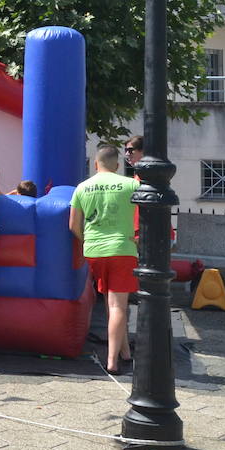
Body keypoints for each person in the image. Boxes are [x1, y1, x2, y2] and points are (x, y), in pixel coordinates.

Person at [70, 145, 141, 374]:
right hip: (122, 249)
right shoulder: (131, 185)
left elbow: (73, 225)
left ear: (95, 164)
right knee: (118, 305)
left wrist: (87, 240)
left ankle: (125, 352)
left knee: (110, 303)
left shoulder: (82, 187)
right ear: (118, 165)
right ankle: (112, 361)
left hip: (94, 252)